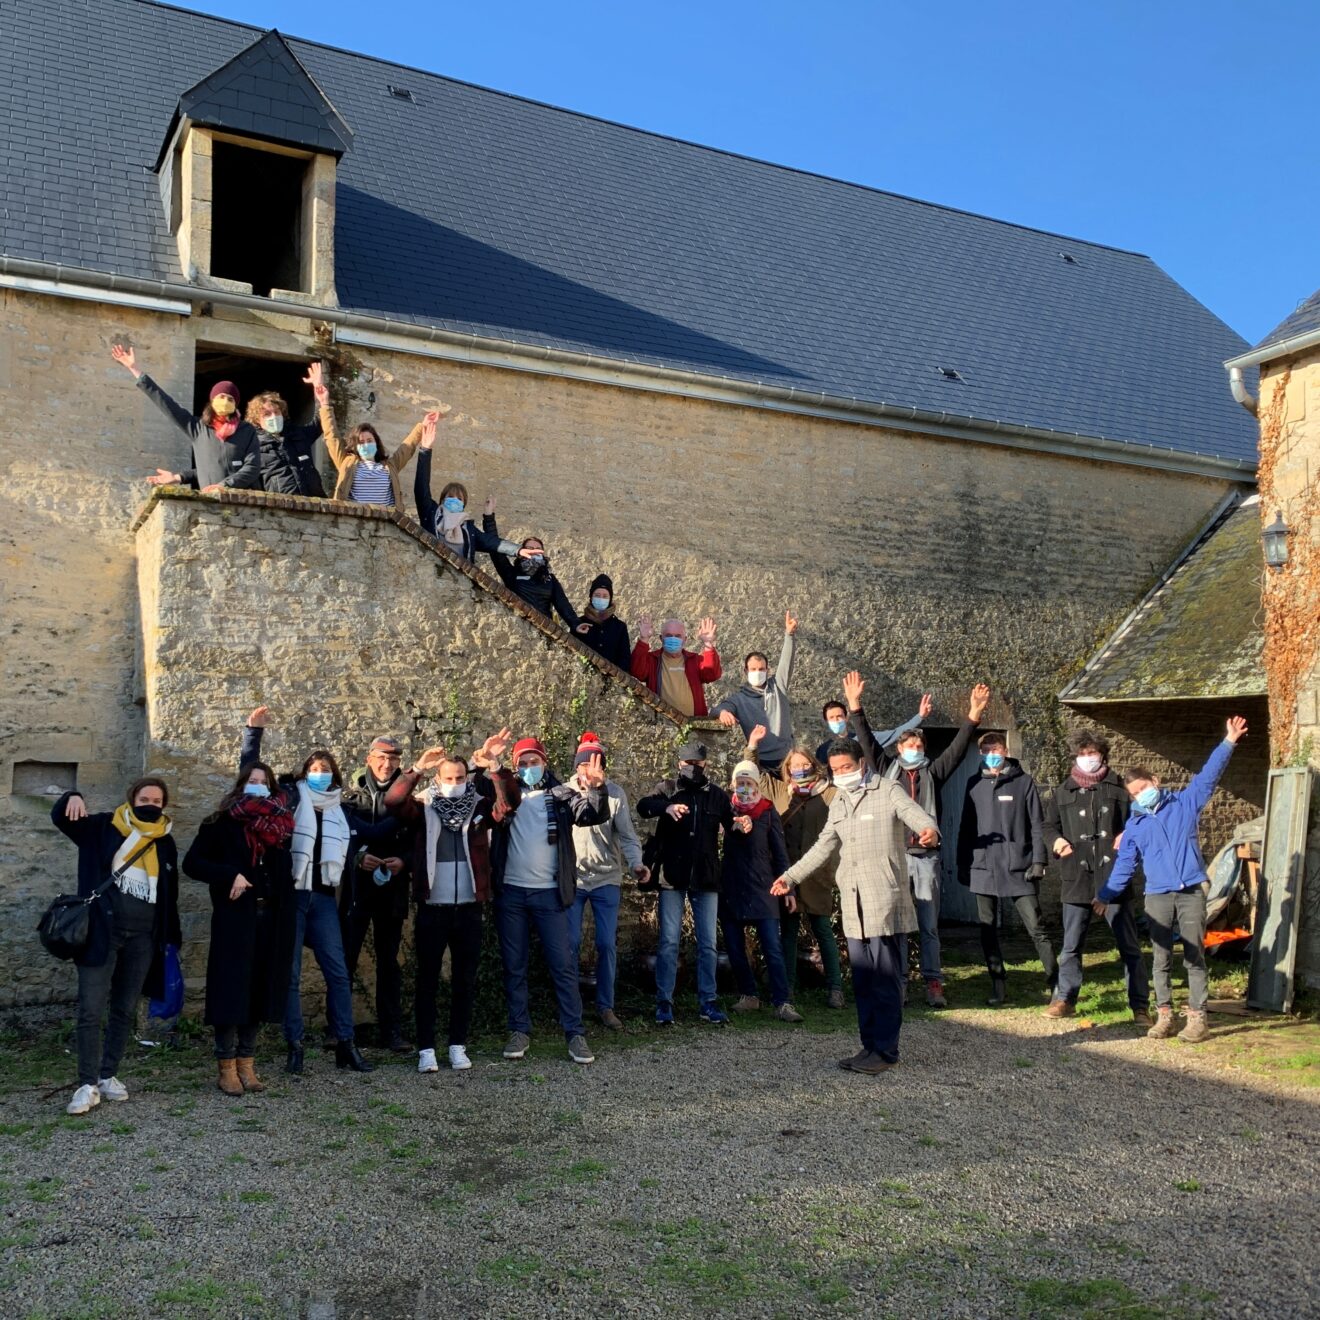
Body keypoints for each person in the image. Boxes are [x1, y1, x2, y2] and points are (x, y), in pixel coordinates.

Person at [772, 739, 939, 1074]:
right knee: (863, 981)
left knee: (885, 980)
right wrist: (789, 878)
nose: (841, 775)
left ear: (862, 764)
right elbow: (822, 847)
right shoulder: (841, 802)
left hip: (884, 901)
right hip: (853, 903)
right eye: (835, 771)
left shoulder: (888, 790)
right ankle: (868, 1047)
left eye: (846, 768)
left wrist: (928, 831)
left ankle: (886, 1051)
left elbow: (917, 816)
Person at [240, 708, 385, 1073]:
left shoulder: (343, 809)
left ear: (334, 775)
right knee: (290, 974)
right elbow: (249, 774)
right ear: (305, 773)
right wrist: (252, 733)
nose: (320, 774)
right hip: (292, 897)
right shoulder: (288, 798)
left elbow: (378, 830)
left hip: (323, 899)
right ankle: (296, 1046)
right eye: (314, 769)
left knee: (338, 972)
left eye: (326, 769)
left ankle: (345, 1045)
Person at [1093, 717, 1248, 1043]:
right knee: (1161, 959)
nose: (1141, 795)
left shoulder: (1184, 805)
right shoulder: (1134, 827)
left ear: (1156, 781)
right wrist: (1105, 894)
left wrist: (1229, 742)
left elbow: (1208, 778)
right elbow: (1125, 867)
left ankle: (1197, 1019)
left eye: (1144, 788)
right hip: (1157, 897)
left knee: (1194, 956)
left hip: (1191, 891)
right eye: (1135, 794)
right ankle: (1165, 1016)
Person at [52, 778, 182, 1116]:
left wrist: (169, 939)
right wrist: (72, 796)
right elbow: (63, 819)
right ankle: (86, 1083)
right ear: (132, 798)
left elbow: (170, 895)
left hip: (143, 938)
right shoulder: (103, 827)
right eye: (144, 797)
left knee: (124, 1009)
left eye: (156, 799)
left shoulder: (165, 843)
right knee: (91, 1010)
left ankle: (108, 1074)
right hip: (101, 934)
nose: (150, 803)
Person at [384, 732, 513, 1072]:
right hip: (433, 908)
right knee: (426, 978)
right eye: (448, 778)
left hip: (469, 907)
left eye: (459, 777)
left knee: (464, 979)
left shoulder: (480, 806)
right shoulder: (424, 805)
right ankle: (426, 1048)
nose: (455, 783)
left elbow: (508, 804)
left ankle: (458, 1045)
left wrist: (496, 766)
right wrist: (416, 769)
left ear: (466, 777)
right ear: (439, 779)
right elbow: (394, 802)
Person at [487, 734, 608, 1064]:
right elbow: (491, 805)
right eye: (522, 764)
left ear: (545, 762)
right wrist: (491, 765)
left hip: (549, 895)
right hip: (511, 892)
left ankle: (575, 1034)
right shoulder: (506, 796)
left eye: (534, 762)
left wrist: (597, 789)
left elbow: (590, 815)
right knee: (515, 965)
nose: (529, 768)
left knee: (563, 965)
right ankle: (519, 1030)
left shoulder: (562, 795)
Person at [182, 760, 297, 1095]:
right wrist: (228, 874)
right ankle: (226, 1066)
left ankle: (247, 1063)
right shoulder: (220, 823)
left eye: (264, 781)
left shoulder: (280, 826)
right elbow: (193, 863)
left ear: (272, 788)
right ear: (242, 785)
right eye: (252, 780)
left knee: (260, 988)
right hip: (235, 917)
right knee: (231, 988)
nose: (257, 785)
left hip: (270, 915)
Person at [878, 682, 991, 1009]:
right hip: (895, 857)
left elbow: (956, 749)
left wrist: (973, 716)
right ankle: (898, 984)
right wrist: (855, 708)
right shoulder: (888, 772)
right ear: (899, 749)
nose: (914, 747)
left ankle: (933, 982)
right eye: (909, 743)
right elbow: (869, 745)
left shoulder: (933, 772)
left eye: (918, 743)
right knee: (898, 926)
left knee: (928, 926)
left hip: (926, 858)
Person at [1042, 730, 1149, 1025]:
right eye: (1083, 754)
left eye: (1093, 753)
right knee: (1071, 944)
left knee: (1129, 945)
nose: (1088, 759)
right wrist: (1056, 841)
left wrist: (1129, 833)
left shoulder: (1118, 788)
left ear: (1102, 755)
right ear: (1075, 757)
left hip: (1114, 876)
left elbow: (1139, 818)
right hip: (1076, 876)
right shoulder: (1063, 791)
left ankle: (1140, 1005)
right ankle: (1065, 998)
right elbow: (1048, 825)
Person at [744, 729, 844, 1009]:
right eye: (794, 765)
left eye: (804, 764)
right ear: (787, 769)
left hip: (817, 875)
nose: (799, 769)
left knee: (822, 930)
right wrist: (752, 746)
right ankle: (787, 989)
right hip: (786, 875)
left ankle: (835, 988)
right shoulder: (778, 791)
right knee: (787, 932)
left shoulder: (831, 793)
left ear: (814, 765)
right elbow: (753, 773)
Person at [957, 732, 1058, 1006]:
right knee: (987, 929)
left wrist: (1039, 861)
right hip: (983, 866)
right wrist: (962, 863)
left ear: (1005, 750)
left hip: (1019, 866)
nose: (993, 753)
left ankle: (1056, 984)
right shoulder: (973, 784)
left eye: (997, 748)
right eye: (987, 749)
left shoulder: (1023, 782)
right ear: (981, 753)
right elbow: (966, 828)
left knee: (1036, 927)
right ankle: (998, 984)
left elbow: (1037, 824)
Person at [635, 741, 731, 1026]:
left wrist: (739, 825)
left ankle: (708, 1001)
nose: (693, 768)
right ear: (679, 764)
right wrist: (667, 807)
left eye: (698, 764)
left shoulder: (716, 795)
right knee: (668, 942)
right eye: (688, 763)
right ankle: (664, 1002)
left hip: (706, 877)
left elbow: (732, 822)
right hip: (671, 877)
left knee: (709, 944)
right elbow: (643, 807)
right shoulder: (667, 787)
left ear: (706, 765)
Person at [565, 733, 649, 1031]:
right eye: (585, 764)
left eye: (596, 763)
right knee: (570, 942)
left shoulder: (615, 794)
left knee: (606, 943)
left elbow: (627, 835)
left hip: (606, 879)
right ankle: (570, 1006)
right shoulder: (565, 792)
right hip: (574, 880)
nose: (590, 769)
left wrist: (636, 863)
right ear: (577, 767)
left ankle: (606, 1006)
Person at [339, 736, 413, 1053]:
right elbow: (338, 837)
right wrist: (356, 859)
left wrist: (405, 862)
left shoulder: (407, 795)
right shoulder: (349, 795)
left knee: (389, 963)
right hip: (356, 889)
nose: (388, 765)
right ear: (369, 758)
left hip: (392, 889)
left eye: (394, 759)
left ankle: (391, 1032)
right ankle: (338, 1029)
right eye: (382, 758)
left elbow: (419, 835)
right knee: (345, 959)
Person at [111, 344, 261, 492]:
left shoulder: (246, 431)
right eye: (221, 396)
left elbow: (253, 467)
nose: (225, 401)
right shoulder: (198, 428)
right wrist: (134, 369)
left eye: (231, 399)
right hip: (211, 503)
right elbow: (167, 404)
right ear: (212, 400)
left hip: (242, 503)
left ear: (235, 406)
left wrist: (224, 486)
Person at [720, 760, 802, 1021]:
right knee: (734, 946)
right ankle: (749, 995)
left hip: (763, 887)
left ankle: (783, 1002)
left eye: (749, 783)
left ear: (756, 785)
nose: (744, 787)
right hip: (733, 887)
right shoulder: (725, 809)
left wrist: (787, 887)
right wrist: (727, 826)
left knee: (772, 948)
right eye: (740, 783)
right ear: (733, 784)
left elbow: (779, 852)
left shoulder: (767, 812)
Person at [310, 363, 442, 507]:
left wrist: (422, 426)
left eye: (369, 440)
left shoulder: (389, 466)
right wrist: (324, 403)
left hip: (385, 523)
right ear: (355, 446)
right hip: (355, 523)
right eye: (361, 442)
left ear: (376, 442)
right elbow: (332, 437)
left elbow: (406, 448)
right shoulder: (346, 462)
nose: (366, 444)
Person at [411, 429, 518, 562]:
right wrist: (425, 450)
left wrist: (518, 550)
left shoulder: (468, 528)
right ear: (443, 499)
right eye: (451, 496)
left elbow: (493, 543)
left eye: (459, 499)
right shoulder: (430, 512)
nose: (455, 500)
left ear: (463, 504)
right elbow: (421, 486)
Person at [713, 612, 798, 775]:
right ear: (746, 671)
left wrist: (789, 635)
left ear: (768, 670)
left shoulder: (778, 686)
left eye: (761, 669)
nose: (757, 672)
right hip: (762, 763)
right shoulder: (739, 699)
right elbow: (717, 709)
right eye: (753, 669)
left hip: (788, 759)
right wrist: (723, 712)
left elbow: (787, 662)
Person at [245, 371, 326, 497]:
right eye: (267, 414)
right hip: (281, 510)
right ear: (257, 420)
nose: (274, 417)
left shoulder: (297, 434)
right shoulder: (252, 446)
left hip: (315, 505)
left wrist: (321, 396)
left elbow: (321, 422)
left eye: (277, 412)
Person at [838, 670, 931, 778]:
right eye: (832, 718)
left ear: (847, 717)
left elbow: (868, 737)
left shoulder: (929, 772)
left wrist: (920, 717)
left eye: (839, 716)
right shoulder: (824, 748)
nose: (915, 750)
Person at [630, 616, 721, 718]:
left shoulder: (694, 660)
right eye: (668, 635)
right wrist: (644, 639)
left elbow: (711, 674)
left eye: (678, 636)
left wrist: (708, 644)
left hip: (693, 724)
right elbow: (637, 672)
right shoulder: (652, 660)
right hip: (662, 724)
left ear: (685, 639)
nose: (673, 639)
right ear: (661, 638)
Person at [486, 532, 580, 628]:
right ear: (522, 552)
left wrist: (576, 624)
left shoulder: (550, 579)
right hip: (518, 626)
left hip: (544, 628)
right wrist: (489, 519)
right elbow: (496, 548)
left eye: (538, 549)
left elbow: (563, 605)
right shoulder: (512, 573)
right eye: (530, 549)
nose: (535, 551)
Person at [573, 574, 632, 670]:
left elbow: (625, 659)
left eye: (605, 596)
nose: (601, 599)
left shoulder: (619, 627)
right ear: (591, 597)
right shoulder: (580, 623)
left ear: (610, 599)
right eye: (597, 595)